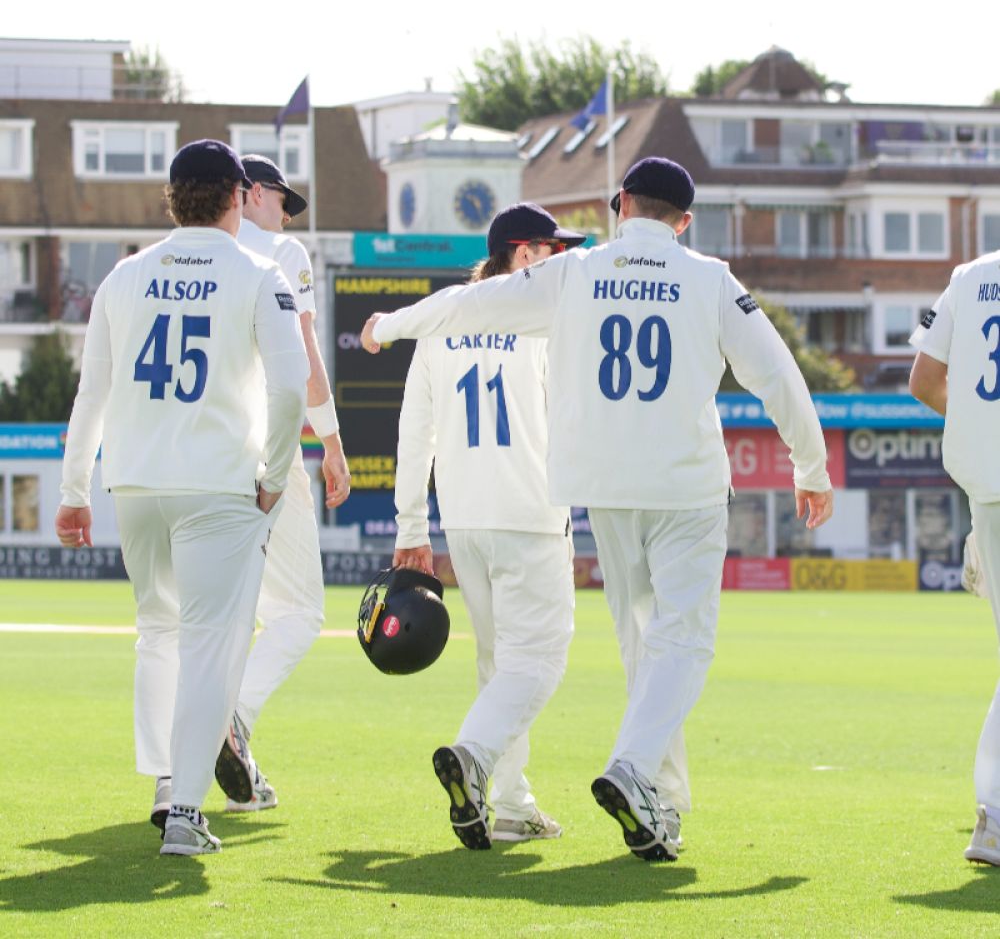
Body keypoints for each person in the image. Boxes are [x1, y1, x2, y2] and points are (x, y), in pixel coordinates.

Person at [361, 157, 833, 861]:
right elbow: (776, 373)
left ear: (619, 205)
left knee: (644, 646)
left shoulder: (574, 274)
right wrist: (812, 465)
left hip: (607, 489)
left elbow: (470, 305)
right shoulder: (708, 278)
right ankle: (637, 773)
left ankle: (661, 803)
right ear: (684, 220)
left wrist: (388, 325)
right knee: (683, 642)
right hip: (686, 486)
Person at [54, 139, 308, 856]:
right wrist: (275, 475)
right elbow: (289, 389)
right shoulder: (259, 273)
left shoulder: (123, 276)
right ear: (237, 195)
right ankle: (188, 812)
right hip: (217, 485)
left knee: (159, 634)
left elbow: (91, 393)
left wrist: (75, 490)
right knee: (210, 646)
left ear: (172, 198)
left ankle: (169, 781)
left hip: (136, 484)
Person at [394, 203, 582, 849]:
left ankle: (509, 801)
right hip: (530, 512)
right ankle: (474, 758)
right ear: (523, 254)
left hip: (464, 520)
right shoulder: (545, 323)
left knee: (500, 661)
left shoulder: (444, 320)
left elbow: (414, 430)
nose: (561, 261)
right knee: (543, 658)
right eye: (552, 250)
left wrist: (410, 527)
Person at [202, 155, 350, 814]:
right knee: (299, 614)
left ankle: (186, 778)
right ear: (250, 193)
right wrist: (334, 445)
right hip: (264, 448)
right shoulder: (282, 253)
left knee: (209, 622)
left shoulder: (187, 256)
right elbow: (307, 367)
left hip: (192, 453)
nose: (286, 216)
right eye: (281, 201)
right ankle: (232, 720)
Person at [909, 246, 1000, 865]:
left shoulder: (972, 276)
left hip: (986, 485)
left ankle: (994, 817)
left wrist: (975, 425)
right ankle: (993, 817)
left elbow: (922, 380)